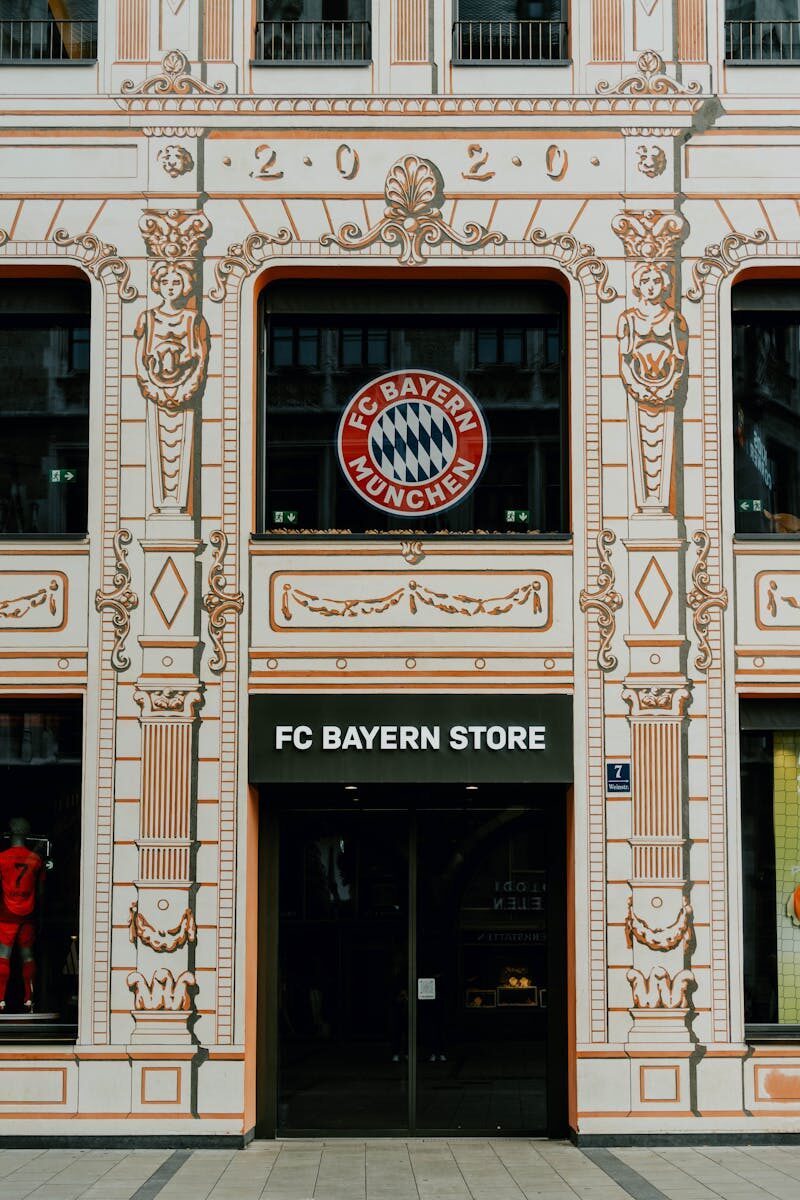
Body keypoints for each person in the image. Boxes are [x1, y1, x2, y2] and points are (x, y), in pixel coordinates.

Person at [0, 817, 44, 1013]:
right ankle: (29, 998)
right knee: (27, 956)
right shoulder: (36, 859)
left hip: (6, 913)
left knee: (3, 955)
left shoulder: (2, 858)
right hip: (28, 913)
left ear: (10, 831)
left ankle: (1, 999)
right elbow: (41, 890)